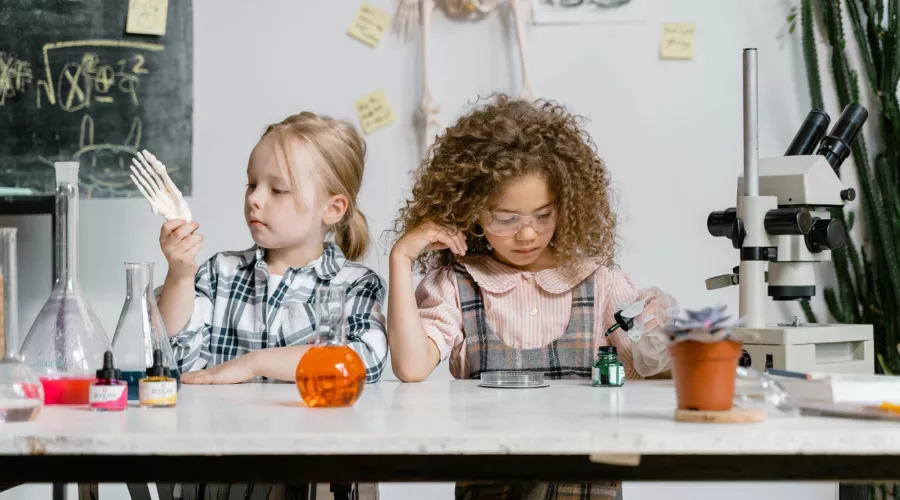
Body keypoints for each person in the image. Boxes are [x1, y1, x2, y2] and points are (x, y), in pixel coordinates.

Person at [387, 94, 677, 500]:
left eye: (544, 215)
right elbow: (412, 367)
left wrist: (663, 334)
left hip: (588, 486)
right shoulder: (458, 285)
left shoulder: (600, 283)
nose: (527, 234)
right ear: (470, 212)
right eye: (506, 219)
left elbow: (659, 373)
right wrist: (401, 257)